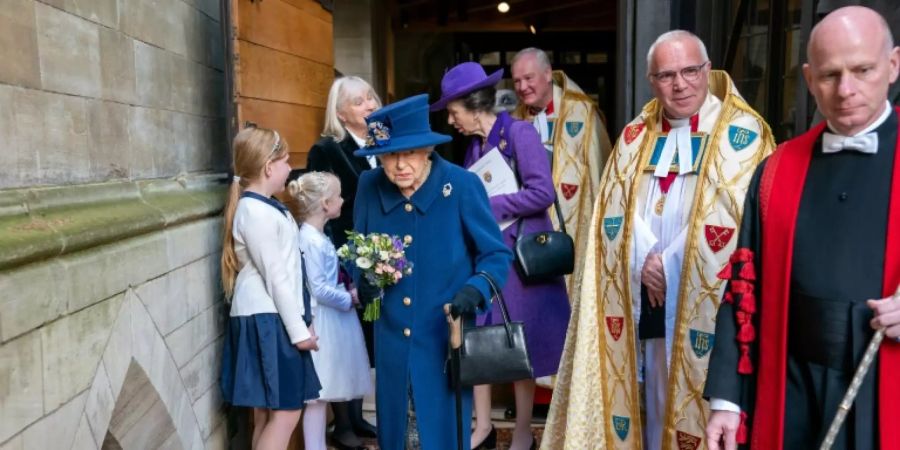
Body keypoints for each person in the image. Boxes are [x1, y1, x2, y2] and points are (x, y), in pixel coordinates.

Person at [541, 31, 776, 449]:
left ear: (708, 70)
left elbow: (741, 215)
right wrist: (645, 259)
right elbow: (611, 210)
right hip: (643, 293)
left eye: (690, 71)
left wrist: (671, 262)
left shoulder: (745, 134)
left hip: (707, 301)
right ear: (652, 80)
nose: (680, 84)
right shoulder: (635, 135)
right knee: (649, 399)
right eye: (666, 75)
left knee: (701, 403)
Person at [704, 7, 900, 450]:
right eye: (830, 75)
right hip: (789, 387)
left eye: (862, 70)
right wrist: (727, 400)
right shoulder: (777, 169)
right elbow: (742, 289)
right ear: (809, 80)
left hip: (887, 383)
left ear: (893, 66)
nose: (845, 90)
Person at [352, 94, 513, 450]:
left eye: (407, 153)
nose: (398, 166)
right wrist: (362, 281)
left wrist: (476, 290)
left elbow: (496, 254)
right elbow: (357, 251)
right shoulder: (369, 187)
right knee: (397, 434)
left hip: (445, 338)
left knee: (440, 434)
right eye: (389, 155)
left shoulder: (461, 186)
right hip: (392, 338)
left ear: (426, 149)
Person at [430, 62, 571, 450]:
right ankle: (483, 426)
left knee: (518, 345)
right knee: (478, 337)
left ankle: (523, 430)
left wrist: (488, 205)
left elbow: (544, 193)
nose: (450, 119)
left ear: (472, 104)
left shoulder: (520, 133)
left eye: (453, 110)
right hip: (487, 257)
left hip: (520, 260)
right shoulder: (473, 146)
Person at [219, 125, 321, 450]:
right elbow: (276, 276)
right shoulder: (256, 212)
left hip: (268, 317)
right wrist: (299, 333)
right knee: (287, 412)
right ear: (268, 166)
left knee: (266, 415)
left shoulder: (264, 206)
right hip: (267, 319)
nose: (290, 168)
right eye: (286, 160)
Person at [305, 76, 381, 440]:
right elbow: (321, 208)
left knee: (368, 336)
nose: (369, 105)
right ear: (339, 112)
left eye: (370, 98)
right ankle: (344, 424)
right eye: (358, 101)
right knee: (347, 336)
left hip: (383, 252)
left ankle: (358, 413)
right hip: (346, 253)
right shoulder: (327, 150)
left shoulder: (384, 142)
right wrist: (338, 262)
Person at [510, 48, 613, 308]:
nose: (522, 87)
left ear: (547, 74)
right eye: (517, 81)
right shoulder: (514, 119)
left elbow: (600, 177)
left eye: (529, 78)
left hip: (573, 225)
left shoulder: (583, 114)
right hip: (529, 227)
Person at [290, 172, 372, 450]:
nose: (342, 200)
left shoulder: (318, 236)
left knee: (322, 394)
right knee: (319, 393)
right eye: (337, 196)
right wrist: (350, 298)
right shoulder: (309, 240)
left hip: (334, 318)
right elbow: (318, 288)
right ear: (325, 203)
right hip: (324, 322)